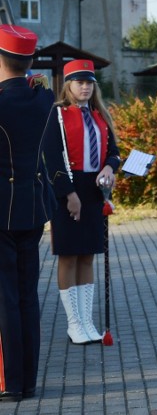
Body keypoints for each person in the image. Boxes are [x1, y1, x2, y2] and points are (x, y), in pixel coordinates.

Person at [43, 59, 120, 345]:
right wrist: (68, 195)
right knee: (69, 255)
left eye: (89, 82)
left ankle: (87, 322)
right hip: (67, 189)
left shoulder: (100, 114)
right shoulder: (57, 115)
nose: (85, 87)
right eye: (79, 82)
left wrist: (109, 168)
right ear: (68, 85)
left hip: (94, 191)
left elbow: (114, 150)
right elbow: (51, 159)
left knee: (88, 255)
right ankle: (74, 323)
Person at [0, 24, 55, 402]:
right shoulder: (43, 98)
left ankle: (11, 383)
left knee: (4, 299)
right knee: (27, 296)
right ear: (30, 60)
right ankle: (29, 380)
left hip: (0, 212)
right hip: (33, 207)